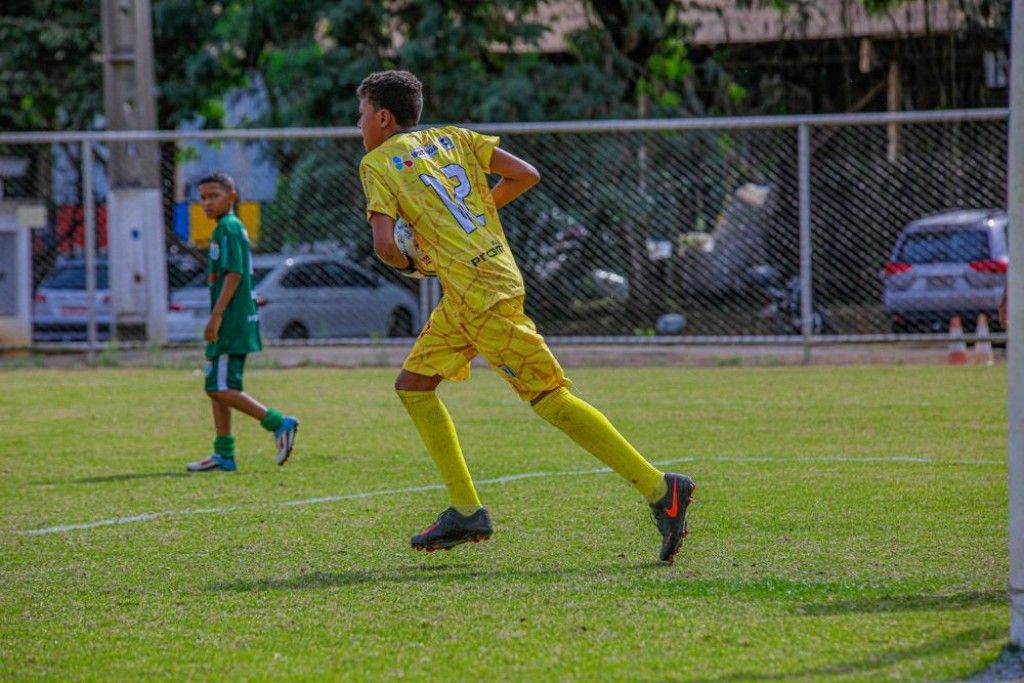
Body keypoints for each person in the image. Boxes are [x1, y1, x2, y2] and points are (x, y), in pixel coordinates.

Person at [356, 70, 696, 563]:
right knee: (413, 386)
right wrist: (471, 219)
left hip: (478, 298)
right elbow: (526, 175)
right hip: (484, 280)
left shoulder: (378, 163)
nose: (358, 125)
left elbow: (386, 247)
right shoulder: (456, 136)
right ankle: (466, 510)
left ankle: (661, 489)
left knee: (551, 399)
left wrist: (417, 260)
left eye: (361, 115)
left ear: (383, 118)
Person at [186, 172, 299, 472]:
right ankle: (224, 453)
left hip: (230, 321)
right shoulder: (225, 227)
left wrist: (216, 316)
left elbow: (234, 274)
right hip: (233, 317)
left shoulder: (229, 227)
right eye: (203, 198)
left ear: (232, 197)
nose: (207, 203)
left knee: (217, 386)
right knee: (223, 384)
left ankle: (279, 422)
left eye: (214, 196)